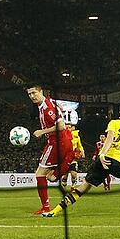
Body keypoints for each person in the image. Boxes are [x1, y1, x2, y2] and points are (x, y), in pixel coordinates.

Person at [43, 103, 120, 217]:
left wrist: (102, 154)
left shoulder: (114, 123)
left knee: (83, 187)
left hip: (103, 161)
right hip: (119, 163)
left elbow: (110, 138)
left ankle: (54, 211)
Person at [26, 84, 74, 215]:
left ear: (41, 91)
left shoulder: (48, 107)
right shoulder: (42, 106)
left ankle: (45, 207)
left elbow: (61, 126)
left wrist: (42, 131)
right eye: (29, 94)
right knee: (47, 176)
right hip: (57, 142)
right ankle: (60, 170)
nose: (32, 96)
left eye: (34, 93)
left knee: (39, 174)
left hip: (58, 143)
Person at [60, 125, 85, 189]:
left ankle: (73, 184)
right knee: (65, 176)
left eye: (70, 127)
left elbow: (80, 146)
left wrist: (82, 152)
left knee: (73, 174)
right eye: (67, 127)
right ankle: (64, 181)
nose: (69, 128)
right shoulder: (62, 135)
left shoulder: (76, 137)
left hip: (73, 158)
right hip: (64, 158)